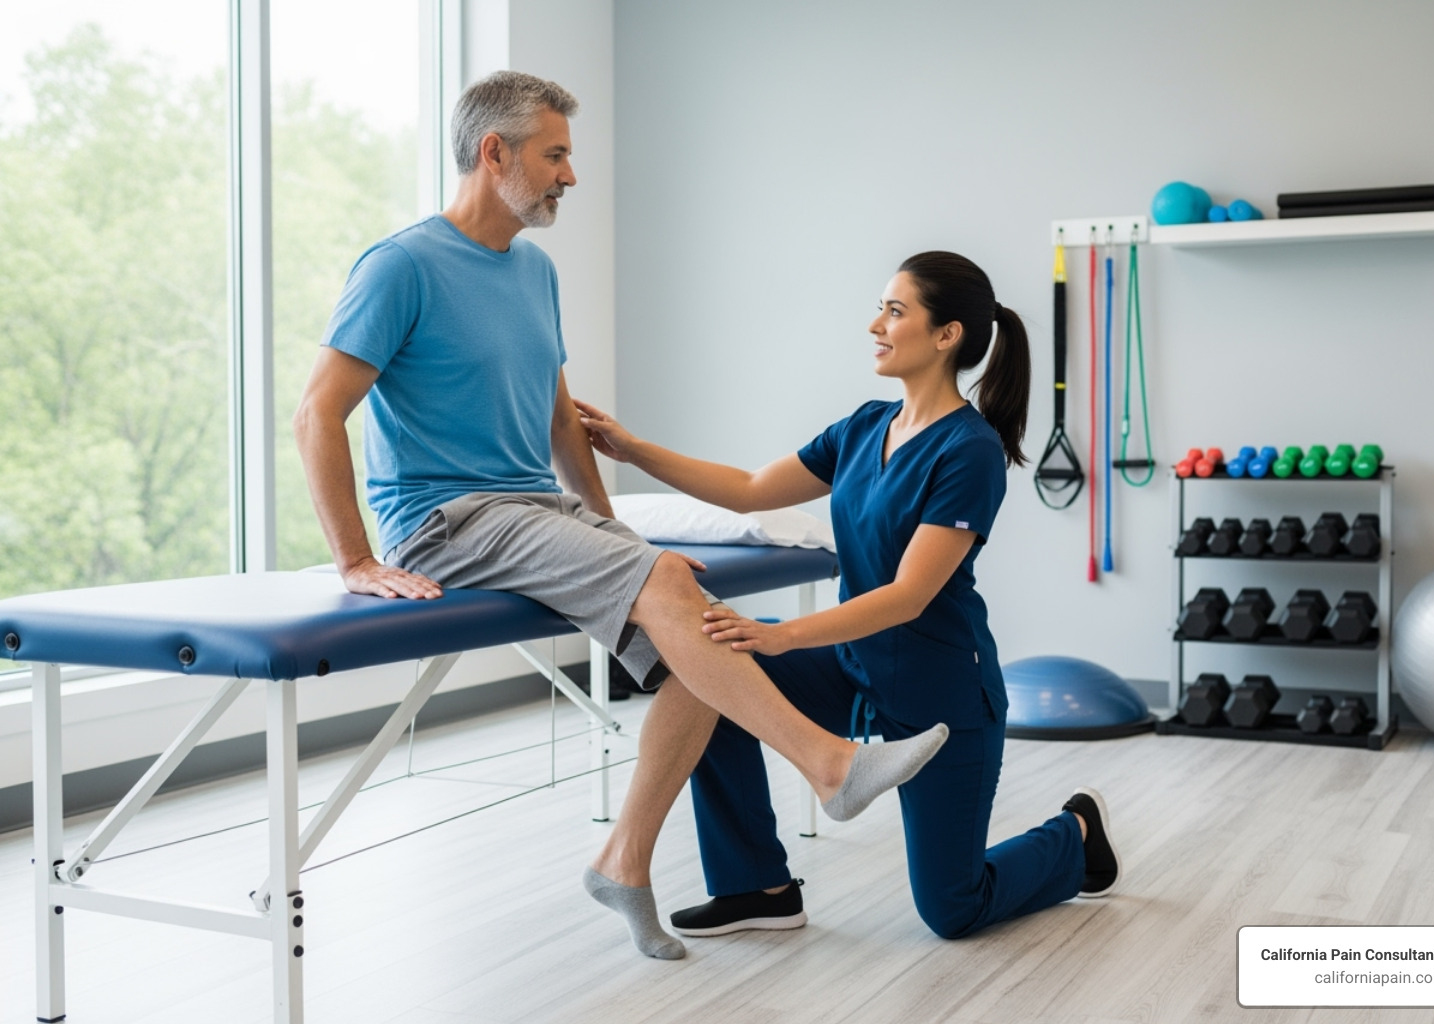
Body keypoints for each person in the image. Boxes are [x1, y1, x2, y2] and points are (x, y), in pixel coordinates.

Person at [293, 71, 948, 962]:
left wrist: (619, 539)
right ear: (496, 153)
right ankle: (830, 764)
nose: (570, 174)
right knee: (675, 591)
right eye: (555, 154)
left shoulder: (532, 270)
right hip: (447, 516)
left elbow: (561, 419)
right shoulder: (401, 266)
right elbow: (316, 412)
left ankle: (624, 860)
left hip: (530, 506)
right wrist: (354, 560)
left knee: (700, 635)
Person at [576, 251, 1122, 944]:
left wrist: (780, 635)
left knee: (952, 908)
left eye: (896, 311)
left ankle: (1075, 836)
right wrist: (633, 449)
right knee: (707, 675)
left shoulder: (970, 451)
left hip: (943, 694)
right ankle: (757, 889)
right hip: (852, 668)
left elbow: (909, 596)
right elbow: (749, 489)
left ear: (946, 334)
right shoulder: (865, 427)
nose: (876, 324)